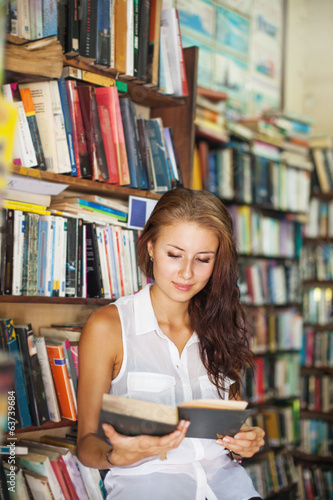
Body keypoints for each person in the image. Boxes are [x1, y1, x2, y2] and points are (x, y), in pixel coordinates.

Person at [77, 188, 265, 500]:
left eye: (203, 259)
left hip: (230, 489)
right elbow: (87, 444)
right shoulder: (108, 327)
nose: (187, 273)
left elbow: (229, 433)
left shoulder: (221, 325)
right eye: (174, 255)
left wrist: (245, 442)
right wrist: (117, 456)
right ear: (150, 247)